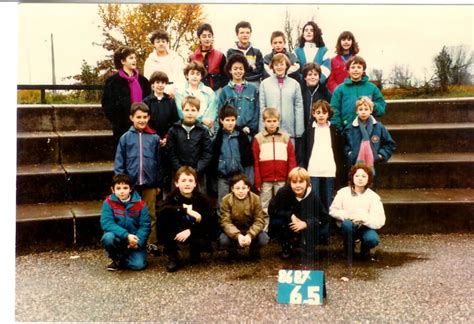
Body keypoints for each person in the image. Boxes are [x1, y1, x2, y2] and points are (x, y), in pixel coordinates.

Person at [114, 102, 162, 256]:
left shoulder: (154, 138)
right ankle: (132, 242)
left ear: (148, 118)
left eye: (144, 117)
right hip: (131, 185)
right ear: (131, 118)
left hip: (150, 183)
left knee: (150, 214)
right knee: (131, 213)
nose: (142, 120)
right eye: (138, 117)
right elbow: (119, 162)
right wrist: (122, 184)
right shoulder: (125, 138)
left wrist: (158, 183)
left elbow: (159, 162)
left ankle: (151, 243)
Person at [156, 166, 216, 272]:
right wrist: (184, 210)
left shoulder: (203, 199)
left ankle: (195, 250)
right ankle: (174, 255)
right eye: (183, 180)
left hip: (194, 231)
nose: (187, 184)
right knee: (163, 219)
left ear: (195, 184)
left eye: (190, 180)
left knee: (202, 240)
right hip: (177, 230)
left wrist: (191, 231)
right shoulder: (172, 197)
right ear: (176, 183)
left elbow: (210, 222)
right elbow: (161, 212)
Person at [268, 167, 330, 263]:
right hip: (289, 225)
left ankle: (309, 246)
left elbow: (324, 217)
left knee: (323, 230)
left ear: (307, 183)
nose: (297, 185)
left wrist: (306, 223)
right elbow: (272, 210)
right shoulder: (283, 192)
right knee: (277, 222)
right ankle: (286, 246)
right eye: (294, 182)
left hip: (306, 226)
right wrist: (290, 215)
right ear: (289, 182)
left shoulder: (313, 196)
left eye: (301, 182)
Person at [252, 107, 297, 231]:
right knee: (264, 206)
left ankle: (280, 229)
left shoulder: (286, 137)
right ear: (264, 122)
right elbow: (255, 161)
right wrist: (258, 180)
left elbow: (291, 160)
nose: (272, 124)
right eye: (269, 121)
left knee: (282, 204)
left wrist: (290, 178)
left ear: (278, 121)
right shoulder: (258, 138)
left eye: (274, 121)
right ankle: (264, 230)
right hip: (265, 179)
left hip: (282, 178)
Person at [329, 163, 385, 261]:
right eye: (357, 175)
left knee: (372, 239)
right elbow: (333, 210)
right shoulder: (342, 193)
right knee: (347, 225)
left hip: (365, 227)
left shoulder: (373, 197)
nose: (360, 178)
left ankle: (364, 252)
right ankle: (349, 252)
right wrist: (347, 215)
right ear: (352, 177)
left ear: (368, 179)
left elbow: (380, 220)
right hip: (349, 226)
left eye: (364, 176)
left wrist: (363, 218)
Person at [102, 46, 151, 149]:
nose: (134, 60)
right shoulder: (112, 82)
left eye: (135, 58)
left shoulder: (143, 81)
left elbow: (149, 101)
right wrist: (118, 121)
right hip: (122, 127)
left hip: (142, 123)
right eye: (131, 58)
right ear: (123, 61)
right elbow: (107, 104)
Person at [100, 173, 151, 271]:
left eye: (125, 188)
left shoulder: (140, 204)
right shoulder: (108, 203)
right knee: (108, 237)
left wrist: (138, 242)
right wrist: (126, 235)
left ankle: (124, 259)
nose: (122, 191)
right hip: (118, 238)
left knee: (138, 265)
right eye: (118, 188)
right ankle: (116, 258)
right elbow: (107, 223)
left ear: (130, 189)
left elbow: (145, 226)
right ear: (112, 189)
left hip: (134, 240)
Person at [259, 53, 304, 162]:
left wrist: (299, 130)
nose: (279, 67)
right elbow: (262, 106)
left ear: (286, 66)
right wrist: (262, 129)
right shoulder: (265, 84)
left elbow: (298, 107)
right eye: (276, 64)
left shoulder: (295, 84)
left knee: (289, 159)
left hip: (289, 130)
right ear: (272, 67)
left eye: (282, 64)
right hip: (270, 129)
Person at [301, 100, 344, 213]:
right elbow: (303, 151)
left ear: (328, 114)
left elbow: (339, 152)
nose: (321, 115)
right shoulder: (309, 131)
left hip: (329, 171)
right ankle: (316, 228)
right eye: (318, 112)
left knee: (328, 201)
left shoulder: (334, 130)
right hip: (313, 171)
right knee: (315, 201)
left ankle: (327, 228)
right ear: (313, 114)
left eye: (324, 112)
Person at [344, 96, 396, 187]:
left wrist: (380, 155)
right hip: (355, 165)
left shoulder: (379, 127)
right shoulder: (350, 128)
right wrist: (350, 154)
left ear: (371, 110)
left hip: (373, 165)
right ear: (356, 111)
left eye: (366, 109)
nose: (363, 111)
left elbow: (390, 144)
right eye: (360, 109)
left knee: (370, 190)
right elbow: (344, 144)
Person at [143, 71, 180, 194]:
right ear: (152, 84)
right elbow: (145, 122)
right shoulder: (147, 101)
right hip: (151, 140)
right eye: (157, 82)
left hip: (167, 141)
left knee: (167, 169)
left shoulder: (170, 101)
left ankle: (167, 196)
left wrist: (166, 138)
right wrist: (155, 137)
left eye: (163, 82)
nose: (160, 85)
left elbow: (175, 121)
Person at [211, 105, 253, 210]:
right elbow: (214, 159)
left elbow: (248, 160)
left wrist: (248, 179)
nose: (230, 123)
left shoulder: (242, 137)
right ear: (221, 120)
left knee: (241, 203)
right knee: (223, 203)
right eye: (227, 120)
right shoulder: (217, 138)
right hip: (223, 177)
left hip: (239, 177)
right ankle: (222, 225)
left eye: (233, 120)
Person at [219, 174, 269, 260]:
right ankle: (232, 252)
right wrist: (238, 235)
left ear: (248, 188)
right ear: (232, 189)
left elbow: (259, 220)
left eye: (244, 188)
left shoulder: (255, 199)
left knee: (263, 238)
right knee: (223, 240)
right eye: (237, 188)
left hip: (250, 229)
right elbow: (225, 221)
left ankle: (254, 251)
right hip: (234, 231)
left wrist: (250, 235)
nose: (241, 191)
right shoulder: (226, 200)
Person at [330, 55, 386, 132]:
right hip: (347, 129)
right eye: (353, 67)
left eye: (359, 67)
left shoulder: (372, 88)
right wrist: (339, 128)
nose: (356, 70)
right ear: (348, 70)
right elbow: (334, 109)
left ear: (363, 70)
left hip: (368, 129)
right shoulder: (340, 89)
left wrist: (372, 104)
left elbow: (381, 107)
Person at [167, 96, 213, 183]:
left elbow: (207, 153)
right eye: (187, 110)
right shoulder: (173, 130)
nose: (190, 113)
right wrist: (180, 170)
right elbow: (171, 152)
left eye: (193, 110)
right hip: (178, 173)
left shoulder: (203, 131)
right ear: (182, 110)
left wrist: (197, 170)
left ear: (198, 112)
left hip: (198, 174)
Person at [218, 53, 260, 139]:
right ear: (230, 70)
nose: (238, 71)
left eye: (241, 68)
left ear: (245, 70)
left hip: (248, 133)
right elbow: (220, 112)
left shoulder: (252, 89)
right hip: (230, 133)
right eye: (235, 68)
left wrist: (250, 127)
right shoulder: (225, 91)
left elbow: (256, 111)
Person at [174, 61, 218, 137]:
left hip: (205, 130)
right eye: (192, 73)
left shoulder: (209, 92)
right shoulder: (180, 92)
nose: (195, 76)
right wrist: (201, 120)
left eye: (198, 74)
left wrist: (203, 126)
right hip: (186, 130)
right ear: (187, 75)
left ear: (201, 77)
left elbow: (212, 112)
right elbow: (181, 112)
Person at [143, 30, 186, 97]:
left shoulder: (176, 58)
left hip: (175, 93)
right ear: (154, 44)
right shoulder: (149, 61)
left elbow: (181, 78)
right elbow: (148, 81)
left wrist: (175, 91)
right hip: (157, 94)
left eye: (163, 41)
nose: (161, 44)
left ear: (167, 43)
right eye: (158, 42)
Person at [189, 23, 227, 93]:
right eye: (204, 36)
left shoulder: (220, 55)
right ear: (199, 38)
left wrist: (221, 89)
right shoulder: (193, 57)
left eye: (209, 36)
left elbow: (226, 75)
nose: (207, 39)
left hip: (217, 91)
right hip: (198, 92)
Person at [226, 21, 264, 89]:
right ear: (237, 34)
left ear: (250, 34)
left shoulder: (257, 52)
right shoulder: (231, 52)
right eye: (242, 32)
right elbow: (229, 71)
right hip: (236, 85)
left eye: (247, 32)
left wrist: (243, 71)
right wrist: (251, 67)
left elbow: (259, 71)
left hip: (254, 85)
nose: (245, 35)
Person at [300, 63, 331, 128]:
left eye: (315, 74)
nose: (313, 77)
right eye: (309, 75)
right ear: (305, 77)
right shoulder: (299, 91)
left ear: (319, 77)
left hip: (319, 127)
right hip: (302, 127)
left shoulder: (325, 92)